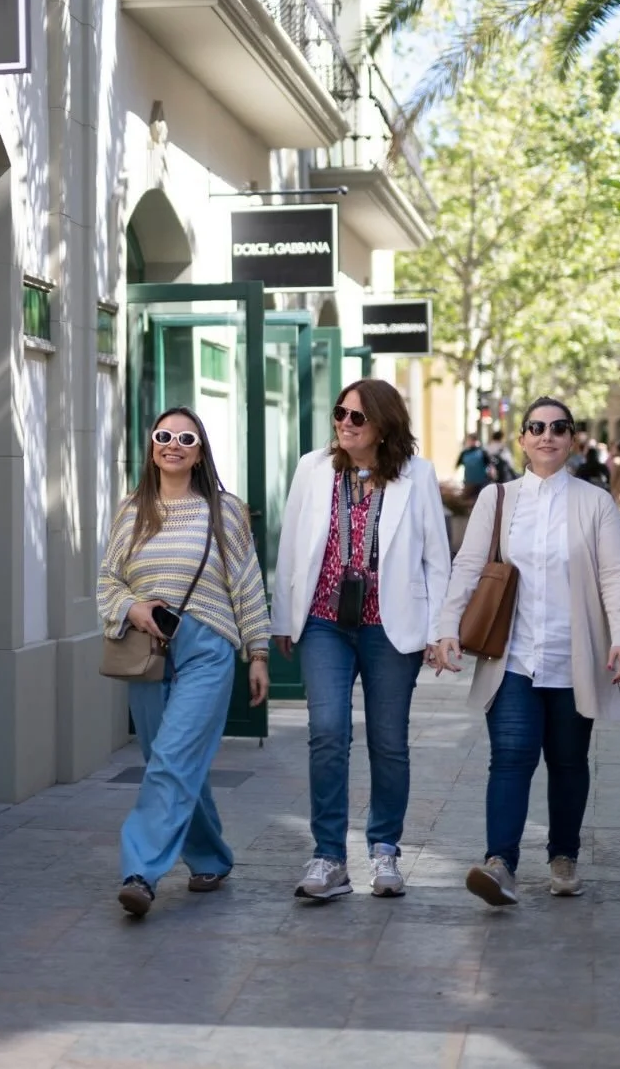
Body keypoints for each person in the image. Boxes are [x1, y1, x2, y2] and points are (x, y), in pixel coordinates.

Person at [434, 396, 620, 907]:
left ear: (571, 440)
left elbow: (616, 574)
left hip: (575, 658)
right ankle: (500, 864)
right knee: (511, 757)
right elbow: (468, 566)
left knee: (568, 761)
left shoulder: (594, 503)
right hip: (514, 658)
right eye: (536, 427)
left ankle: (563, 858)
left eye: (558, 428)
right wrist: (446, 628)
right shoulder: (498, 499)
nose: (547, 435)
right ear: (522, 439)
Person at [271, 379, 451, 901]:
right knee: (327, 732)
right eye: (339, 413)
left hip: (390, 626)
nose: (344, 425)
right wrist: (284, 617)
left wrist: (441, 631)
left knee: (389, 741)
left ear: (383, 425)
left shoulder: (417, 476)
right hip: (325, 621)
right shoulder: (312, 468)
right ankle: (328, 856)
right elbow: (290, 544)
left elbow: (436, 559)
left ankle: (384, 850)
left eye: (356, 418)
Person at [97, 405, 270, 918]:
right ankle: (211, 856)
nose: (173, 444)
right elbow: (108, 580)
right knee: (166, 761)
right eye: (164, 435)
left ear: (199, 452)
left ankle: (140, 872)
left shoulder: (226, 510)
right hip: (147, 649)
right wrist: (133, 606)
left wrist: (256, 652)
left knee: (172, 758)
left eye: (186, 438)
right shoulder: (131, 510)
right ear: (152, 445)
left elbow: (247, 583)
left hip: (207, 649)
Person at [457, 433, 492, 503]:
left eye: (471, 440)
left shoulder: (482, 452)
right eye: (469, 440)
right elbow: (458, 465)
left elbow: (490, 466)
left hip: (481, 483)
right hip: (469, 482)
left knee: (479, 502)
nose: (470, 442)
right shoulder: (464, 453)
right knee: (468, 502)